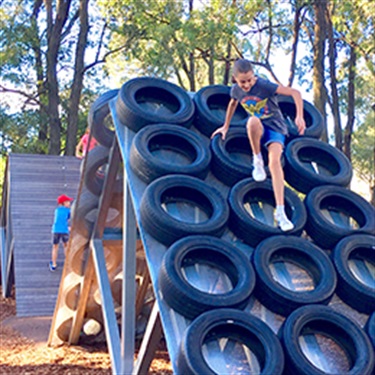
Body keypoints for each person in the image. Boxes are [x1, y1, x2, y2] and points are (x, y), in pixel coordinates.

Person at [211, 59, 306, 231]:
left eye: (249, 80)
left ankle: (280, 211)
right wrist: (225, 126)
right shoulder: (236, 90)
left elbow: (295, 93)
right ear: (235, 79)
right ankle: (257, 159)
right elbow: (232, 104)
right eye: (243, 82)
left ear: (254, 76)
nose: (247, 85)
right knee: (252, 121)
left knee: (275, 163)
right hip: (258, 128)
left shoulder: (264, 85)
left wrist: (299, 116)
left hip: (276, 127)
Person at [49, 194, 74, 272]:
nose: (70, 203)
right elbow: (70, 218)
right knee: (66, 246)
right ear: (64, 203)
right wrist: (69, 227)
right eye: (68, 202)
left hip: (56, 230)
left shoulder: (57, 210)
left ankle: (53, 264)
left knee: (55, 247)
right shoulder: (68, 211)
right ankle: (68, 263)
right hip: (64, 231)